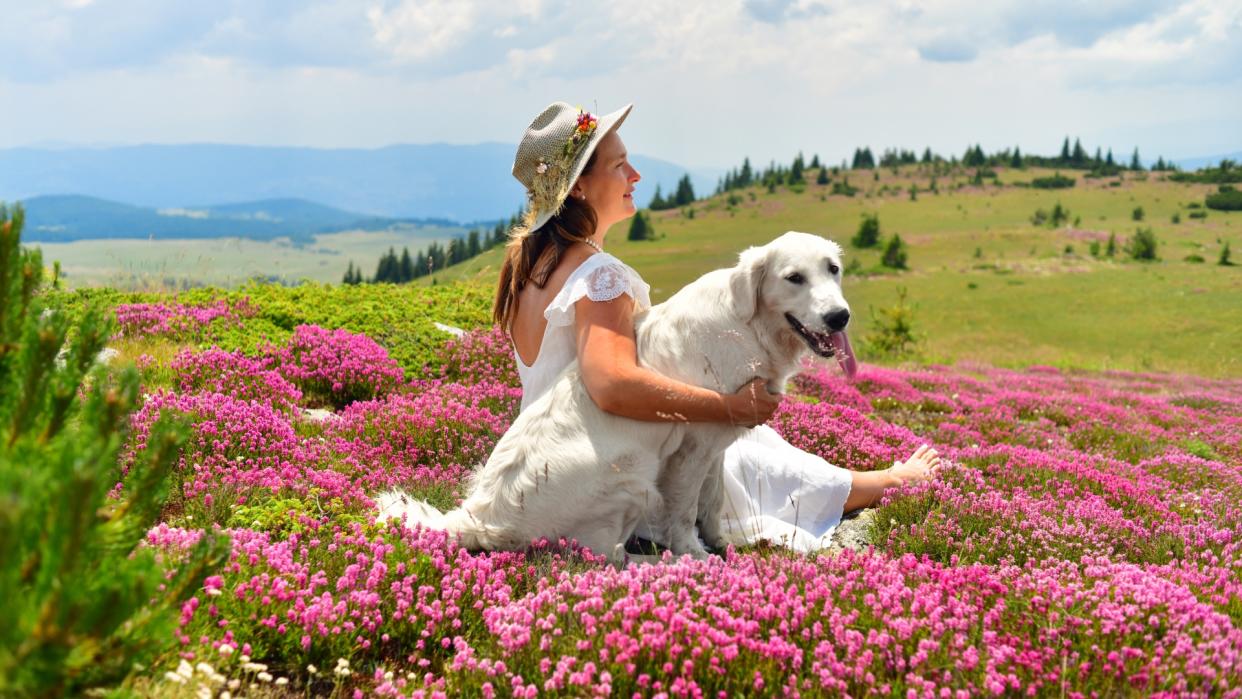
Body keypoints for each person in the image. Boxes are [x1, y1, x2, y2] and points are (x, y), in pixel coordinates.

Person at [494, 101, 940, 552]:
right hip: (605, 456)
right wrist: (726, 406)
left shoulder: (532, 266)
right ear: (578, 190)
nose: (635, 175)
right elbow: (610, 385)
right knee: (746, 447)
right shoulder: (599, 275)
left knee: (751, 439)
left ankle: (864, 481)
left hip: (553, 456)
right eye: (618, 165)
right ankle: (881, 483)